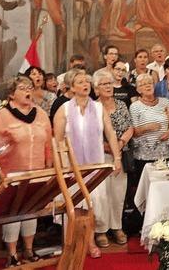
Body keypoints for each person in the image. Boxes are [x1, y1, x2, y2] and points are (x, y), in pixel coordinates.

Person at [52, 71, 121, 258]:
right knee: (73, 207)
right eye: (80, 82)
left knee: (92, 206)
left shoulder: (99, 108)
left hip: (95, 166)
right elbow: (57, 140)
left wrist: (117, 158)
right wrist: (60, 168)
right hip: (71, 167)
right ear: (72, 87)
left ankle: (89, 242)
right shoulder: (64, 109)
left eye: (87, 81)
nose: (85, 84)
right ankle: (71, 243)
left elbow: (111, 133)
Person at [0, 75, 53, 266]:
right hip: (12, 173)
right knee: (13, 213)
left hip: (37, 172)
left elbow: (48, 144)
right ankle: (12, 254)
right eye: (23, 88)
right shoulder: (2, 115)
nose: (28, 91)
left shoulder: (41, 113)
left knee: (31, 211)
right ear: (11, 94)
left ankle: (29, 249)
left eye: (30, 88)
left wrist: (49, 168)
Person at [93, 71, 133, 246]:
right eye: (104, 84)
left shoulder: (121, 104)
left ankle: (117, 227)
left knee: (118, 193)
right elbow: (89, 134)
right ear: (96, 88)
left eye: (110, 83)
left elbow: (130, 127)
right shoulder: (92, 107)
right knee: (101, 195)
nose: (108, 87)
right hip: (99, 155)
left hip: (120, 154)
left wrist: (121, 143)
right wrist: (108, 146)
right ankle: (101, 230)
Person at [130, 73, 169, 191]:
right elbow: (133, 132)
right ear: (138, 89)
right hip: (144, 156)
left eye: (149, 83)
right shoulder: (135, 106)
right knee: (147, 189)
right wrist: (147, 127)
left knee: (165, 187)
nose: (147, 86)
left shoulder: (165, 102)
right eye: (143, 84)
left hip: (164, 153)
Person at [24, 0, 66, 73]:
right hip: (43, 16)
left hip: (52, 18)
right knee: (40, 43)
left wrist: (60, 16)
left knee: (50, 45)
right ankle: (39, 71)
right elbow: (36, 3)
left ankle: (49, 72)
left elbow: (57, 4)